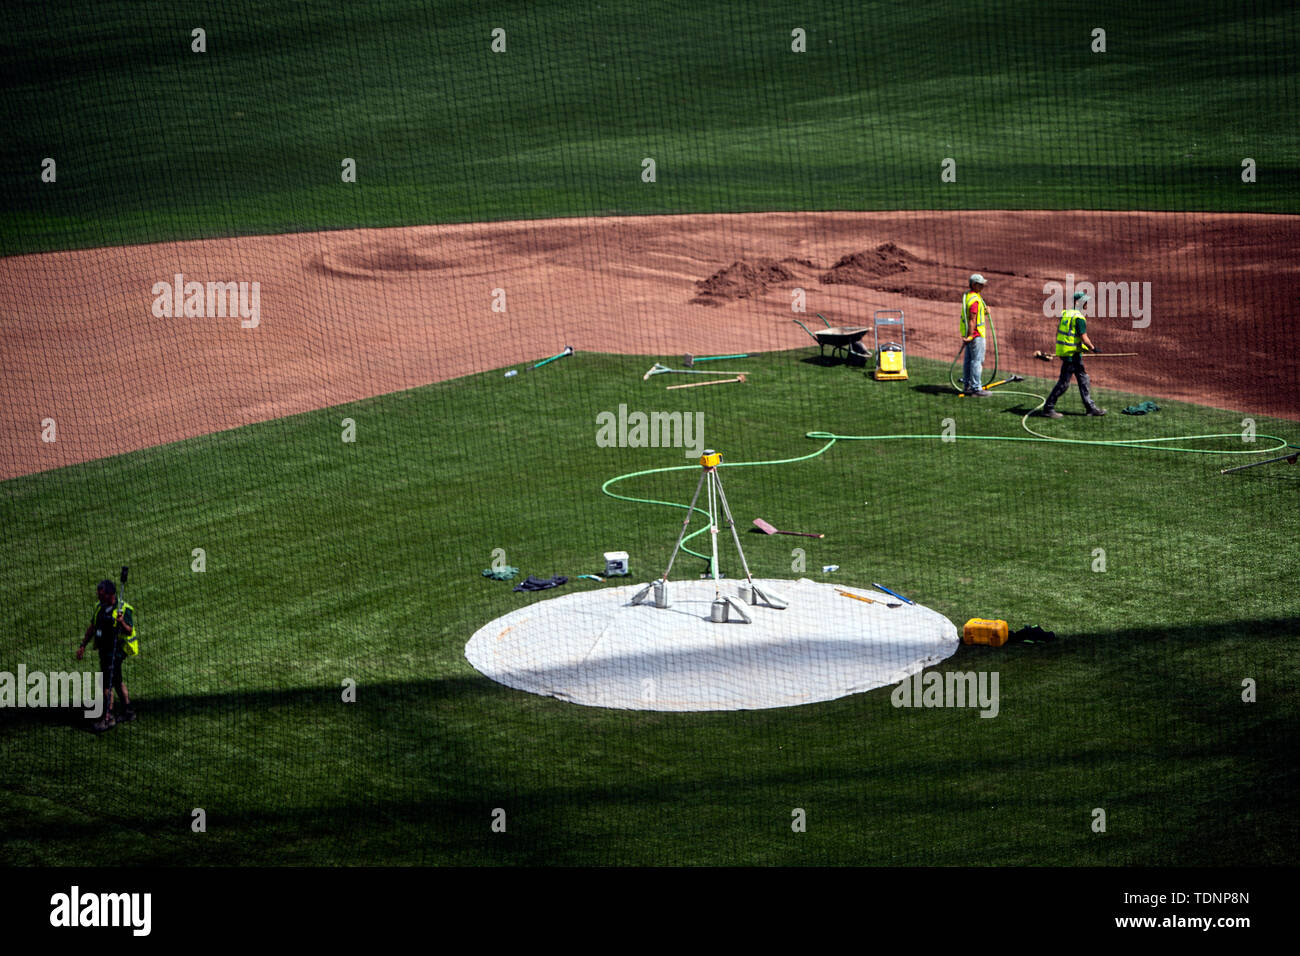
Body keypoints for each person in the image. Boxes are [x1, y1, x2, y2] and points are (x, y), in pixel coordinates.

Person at [76, 579, 135, 731]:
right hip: (104, 649)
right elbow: (93, 626)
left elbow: (129, 630)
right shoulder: (99, 607)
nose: (98, 596)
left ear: (111, 595)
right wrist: (83, 645)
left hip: (116, 650)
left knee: (106, 683)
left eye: (101, 594)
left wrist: (121, 622)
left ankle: (108, 718)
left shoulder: (123, 609)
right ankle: (128, 711)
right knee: (116, 680)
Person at [1039, 290, 1106, 418]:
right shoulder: (1079, 318)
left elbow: (1070, 334)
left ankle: (1090, 408)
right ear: (1077, 302)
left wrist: (1081, 348)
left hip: (1068, 352)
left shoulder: (1066, 314)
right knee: (1064, 383)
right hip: (1071, 355)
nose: (1086, 303)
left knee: (1083, 379)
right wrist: (1093, 348)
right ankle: (1048, 408)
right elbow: (1083, 337)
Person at [960, 274, 991, 396]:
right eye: (980, 284)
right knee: (977, 361)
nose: (983, 286)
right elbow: (972, 320)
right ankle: (976, 388)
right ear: (973, 284)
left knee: (968, 360)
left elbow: (974, 315)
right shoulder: (975, 301)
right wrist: (971, 336)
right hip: (976, 335)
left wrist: (984, 312)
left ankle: (967, 386)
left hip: (971, 334)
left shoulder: (969, 296)